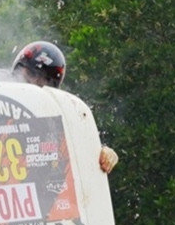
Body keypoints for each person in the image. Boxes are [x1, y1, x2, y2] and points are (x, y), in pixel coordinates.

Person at [10, 41, 119, 174]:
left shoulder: (55, 111)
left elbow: (77, 141)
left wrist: (102, 152)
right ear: (18, 68)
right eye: (33, 74)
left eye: (45, 80)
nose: (35, 83)